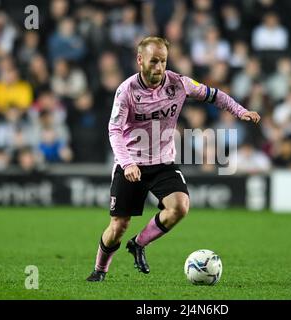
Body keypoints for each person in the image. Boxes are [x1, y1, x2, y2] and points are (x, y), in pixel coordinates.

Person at [86, 36, 260, 282]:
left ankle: (139, 244)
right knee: (118, 227)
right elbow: (114, 130)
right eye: (153, 61)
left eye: (163, 61)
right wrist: (127, 163)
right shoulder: (126, 91)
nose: (159, 68)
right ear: (140, 60)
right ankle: (100, 270)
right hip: (131, 165)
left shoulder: (179, 83)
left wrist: (241, 111)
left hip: (163, 163)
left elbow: (215, 94)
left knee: (180, 206)